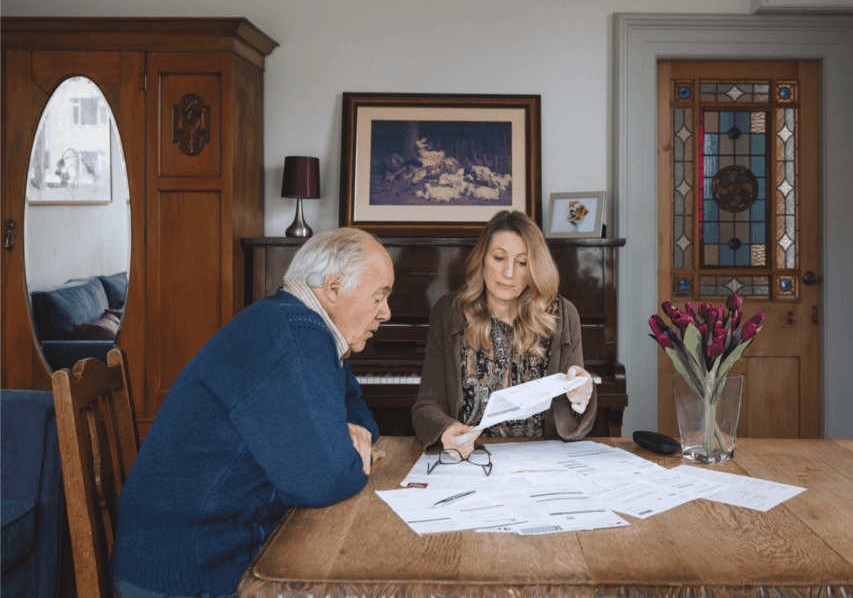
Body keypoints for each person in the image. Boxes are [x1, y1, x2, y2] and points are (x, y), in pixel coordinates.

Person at [111, 228, 394, 598]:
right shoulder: (296, 334)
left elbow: (355, 405)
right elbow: (325, 481)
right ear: (334, 287)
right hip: (187, 573)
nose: (386, 313)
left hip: (206, 553)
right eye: (379, 297)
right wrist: (346, 442)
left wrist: (351, 427)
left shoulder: (295, 323)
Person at [411, 210, 595, 457]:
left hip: (541, 461)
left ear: (534, 267)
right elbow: (426, 407)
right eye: (499, 258)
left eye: (522, 263)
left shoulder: (562, 315)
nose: (509, 273)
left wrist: (582, 394)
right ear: (482, 259)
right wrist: (446, 430)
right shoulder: (448, 312)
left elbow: (574, 418)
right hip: (471, 459)